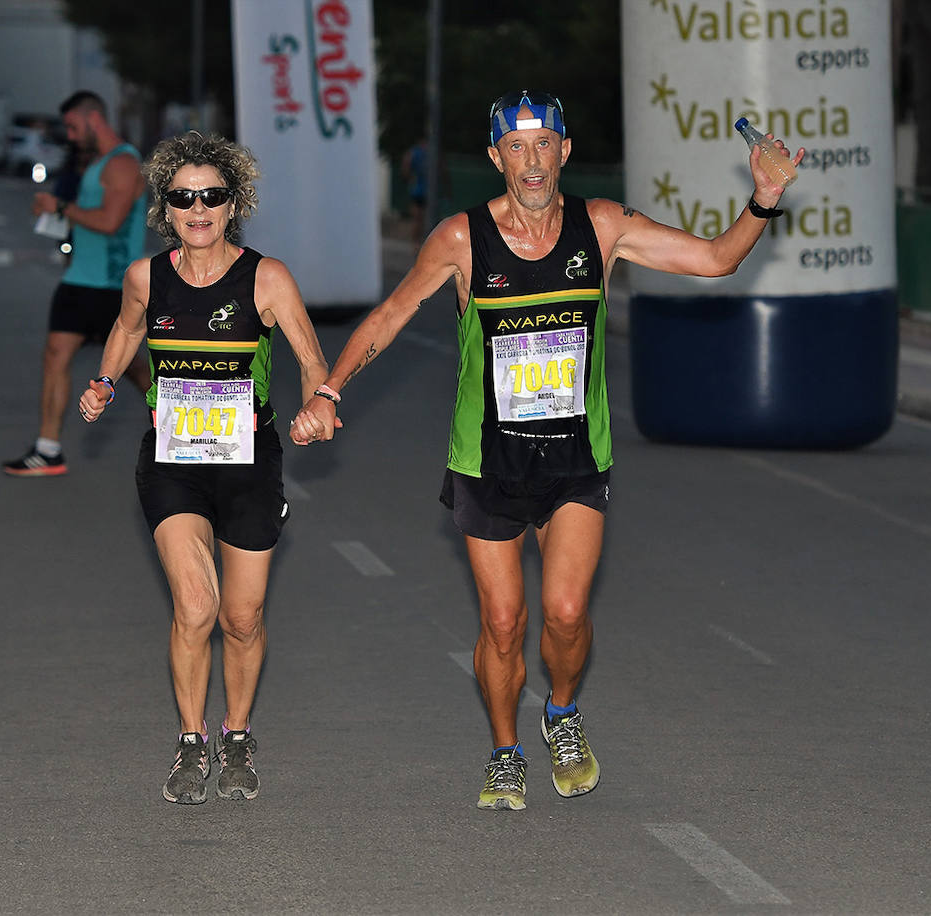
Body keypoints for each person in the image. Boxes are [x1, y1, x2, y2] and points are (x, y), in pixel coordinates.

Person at [292, 90, 803, 810]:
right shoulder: (462, 239)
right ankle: (505, 751)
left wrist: (763, 199)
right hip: (487, 459)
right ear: (497, 157)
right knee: (503, 623)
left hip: (574, 456)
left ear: (564, 151)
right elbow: (391, 314)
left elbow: (716, 260)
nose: (532, 162)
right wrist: (330, 390)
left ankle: (561, 711)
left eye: (546, 146)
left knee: (564, 613)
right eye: (516, 148)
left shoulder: (602, 227)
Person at [78, 131, 335, 804]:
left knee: (241, 619)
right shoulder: (146, 277)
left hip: (251, 460)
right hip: (173, 462)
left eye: (212, 196)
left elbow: (312, 360)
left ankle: (237, 732)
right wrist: (105, 381)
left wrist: (321, 403)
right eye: (184, 197)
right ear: (166, 206)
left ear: (233, 204)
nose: (199, 209)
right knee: (197, 605)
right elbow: (129, 328)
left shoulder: (267, 278)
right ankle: (191, 741)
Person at [2, 90, 151, 477]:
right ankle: (48, 449)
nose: (69, 135)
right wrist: (60, 210)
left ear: (94, 119)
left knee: (131, 367)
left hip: (109, 284)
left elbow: (110, 222)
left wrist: (62, 208)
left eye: (72, 126)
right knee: (56, 354)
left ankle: (185, 429)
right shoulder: (98, 162)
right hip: (81, 279)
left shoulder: (121, 163)